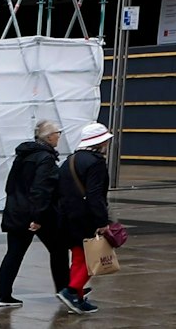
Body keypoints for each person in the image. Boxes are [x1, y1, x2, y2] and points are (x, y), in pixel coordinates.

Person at [0, 119, 67, 308]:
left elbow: (11, 184)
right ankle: (65, 289)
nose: (59, 135)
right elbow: (42, 189)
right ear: (49, 137)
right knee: (58, 249)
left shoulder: (24, 155)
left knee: (14, 253)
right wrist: (38, 217)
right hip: (36, 214)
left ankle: (4, 294)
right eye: (58, 132)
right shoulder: (45, 158)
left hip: (16, 210)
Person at [54, 121, 114, 315]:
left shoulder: (70, 160)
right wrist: (102, 222)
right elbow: (95, 195)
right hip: (85, 218)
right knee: (92, 259)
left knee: (79, 258)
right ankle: (70, 292)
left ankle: (77, 299)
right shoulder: (96, 163)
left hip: (67, 216)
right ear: (100, 143)